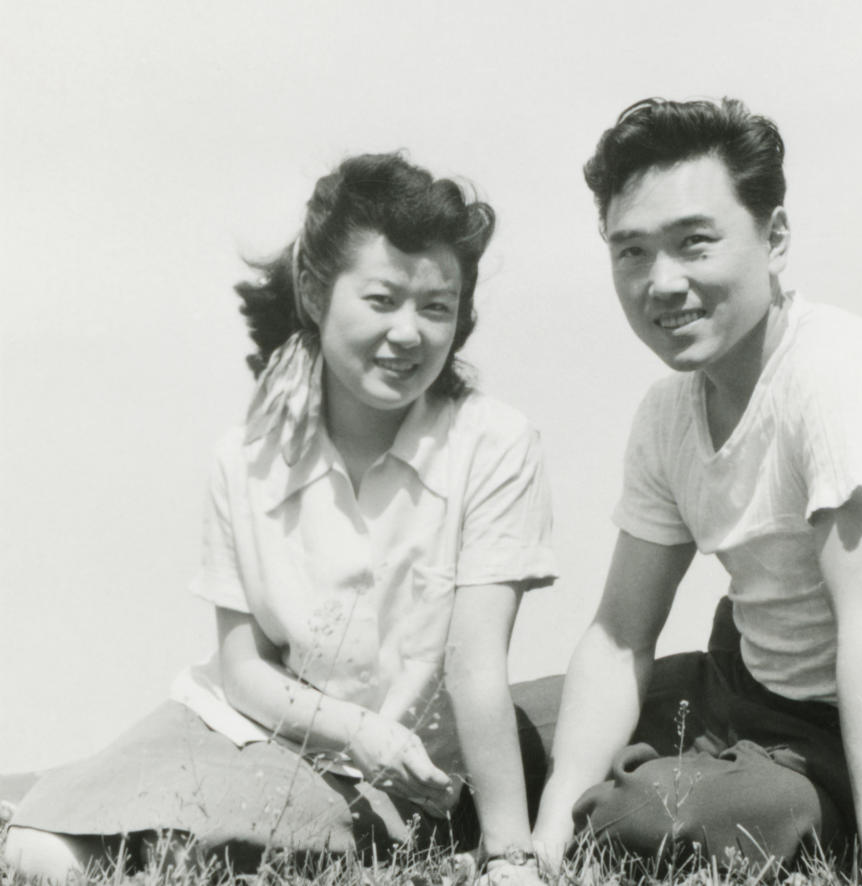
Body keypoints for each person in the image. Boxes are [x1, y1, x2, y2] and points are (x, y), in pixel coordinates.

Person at [4, 153, 558, 882]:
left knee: (123, 846)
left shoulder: (493, 443)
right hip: (246, 724)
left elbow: (475, 662)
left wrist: (509, 853)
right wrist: (355, 731)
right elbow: (242, 669)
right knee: (39, 849)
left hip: (394, 772)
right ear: (314, 292)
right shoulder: (246, 459)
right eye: (382, 299)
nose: (409, 333)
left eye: (436, 307)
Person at [532, 98, 862, 885]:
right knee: (517, 729)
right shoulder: (667, 411)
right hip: (740, 686)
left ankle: (697, 784)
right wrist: (551, 824)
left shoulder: (837, 373)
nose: (661, 283)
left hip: (860, 732)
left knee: (647, 817)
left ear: (775, 238)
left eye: (694, 243)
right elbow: (621, 633)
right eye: (630, 253)